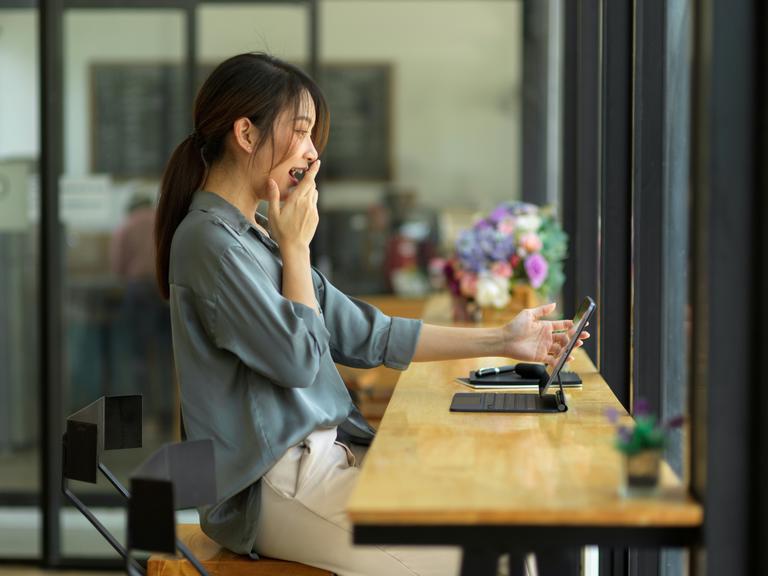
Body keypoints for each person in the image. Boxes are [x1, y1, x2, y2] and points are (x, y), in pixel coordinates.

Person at [154, 52, 588, 576]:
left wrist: (502, 340)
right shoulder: (210, 243)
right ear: (245, 134)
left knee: (507, 524)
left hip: (329, 462)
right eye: (302, 131)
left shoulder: (256, 239)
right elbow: (298, 363)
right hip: (273, 488)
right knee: (484, 559)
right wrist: (297, 251)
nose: (313, 153)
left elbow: (368, 334)